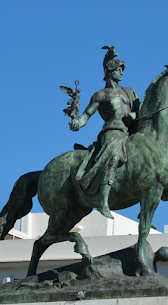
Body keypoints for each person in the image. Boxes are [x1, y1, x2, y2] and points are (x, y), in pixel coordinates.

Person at [69, 46, 139, 219]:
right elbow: (86, 115)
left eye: (122, 69)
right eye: (118, 69)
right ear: (109, 71)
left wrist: (135, 115)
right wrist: (77, 123)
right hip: (112, 132)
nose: (121, 73)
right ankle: (103, 201)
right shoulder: (100, 95)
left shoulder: (130, 92)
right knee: (114, 154)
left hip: (131, 131)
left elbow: (141, 110)